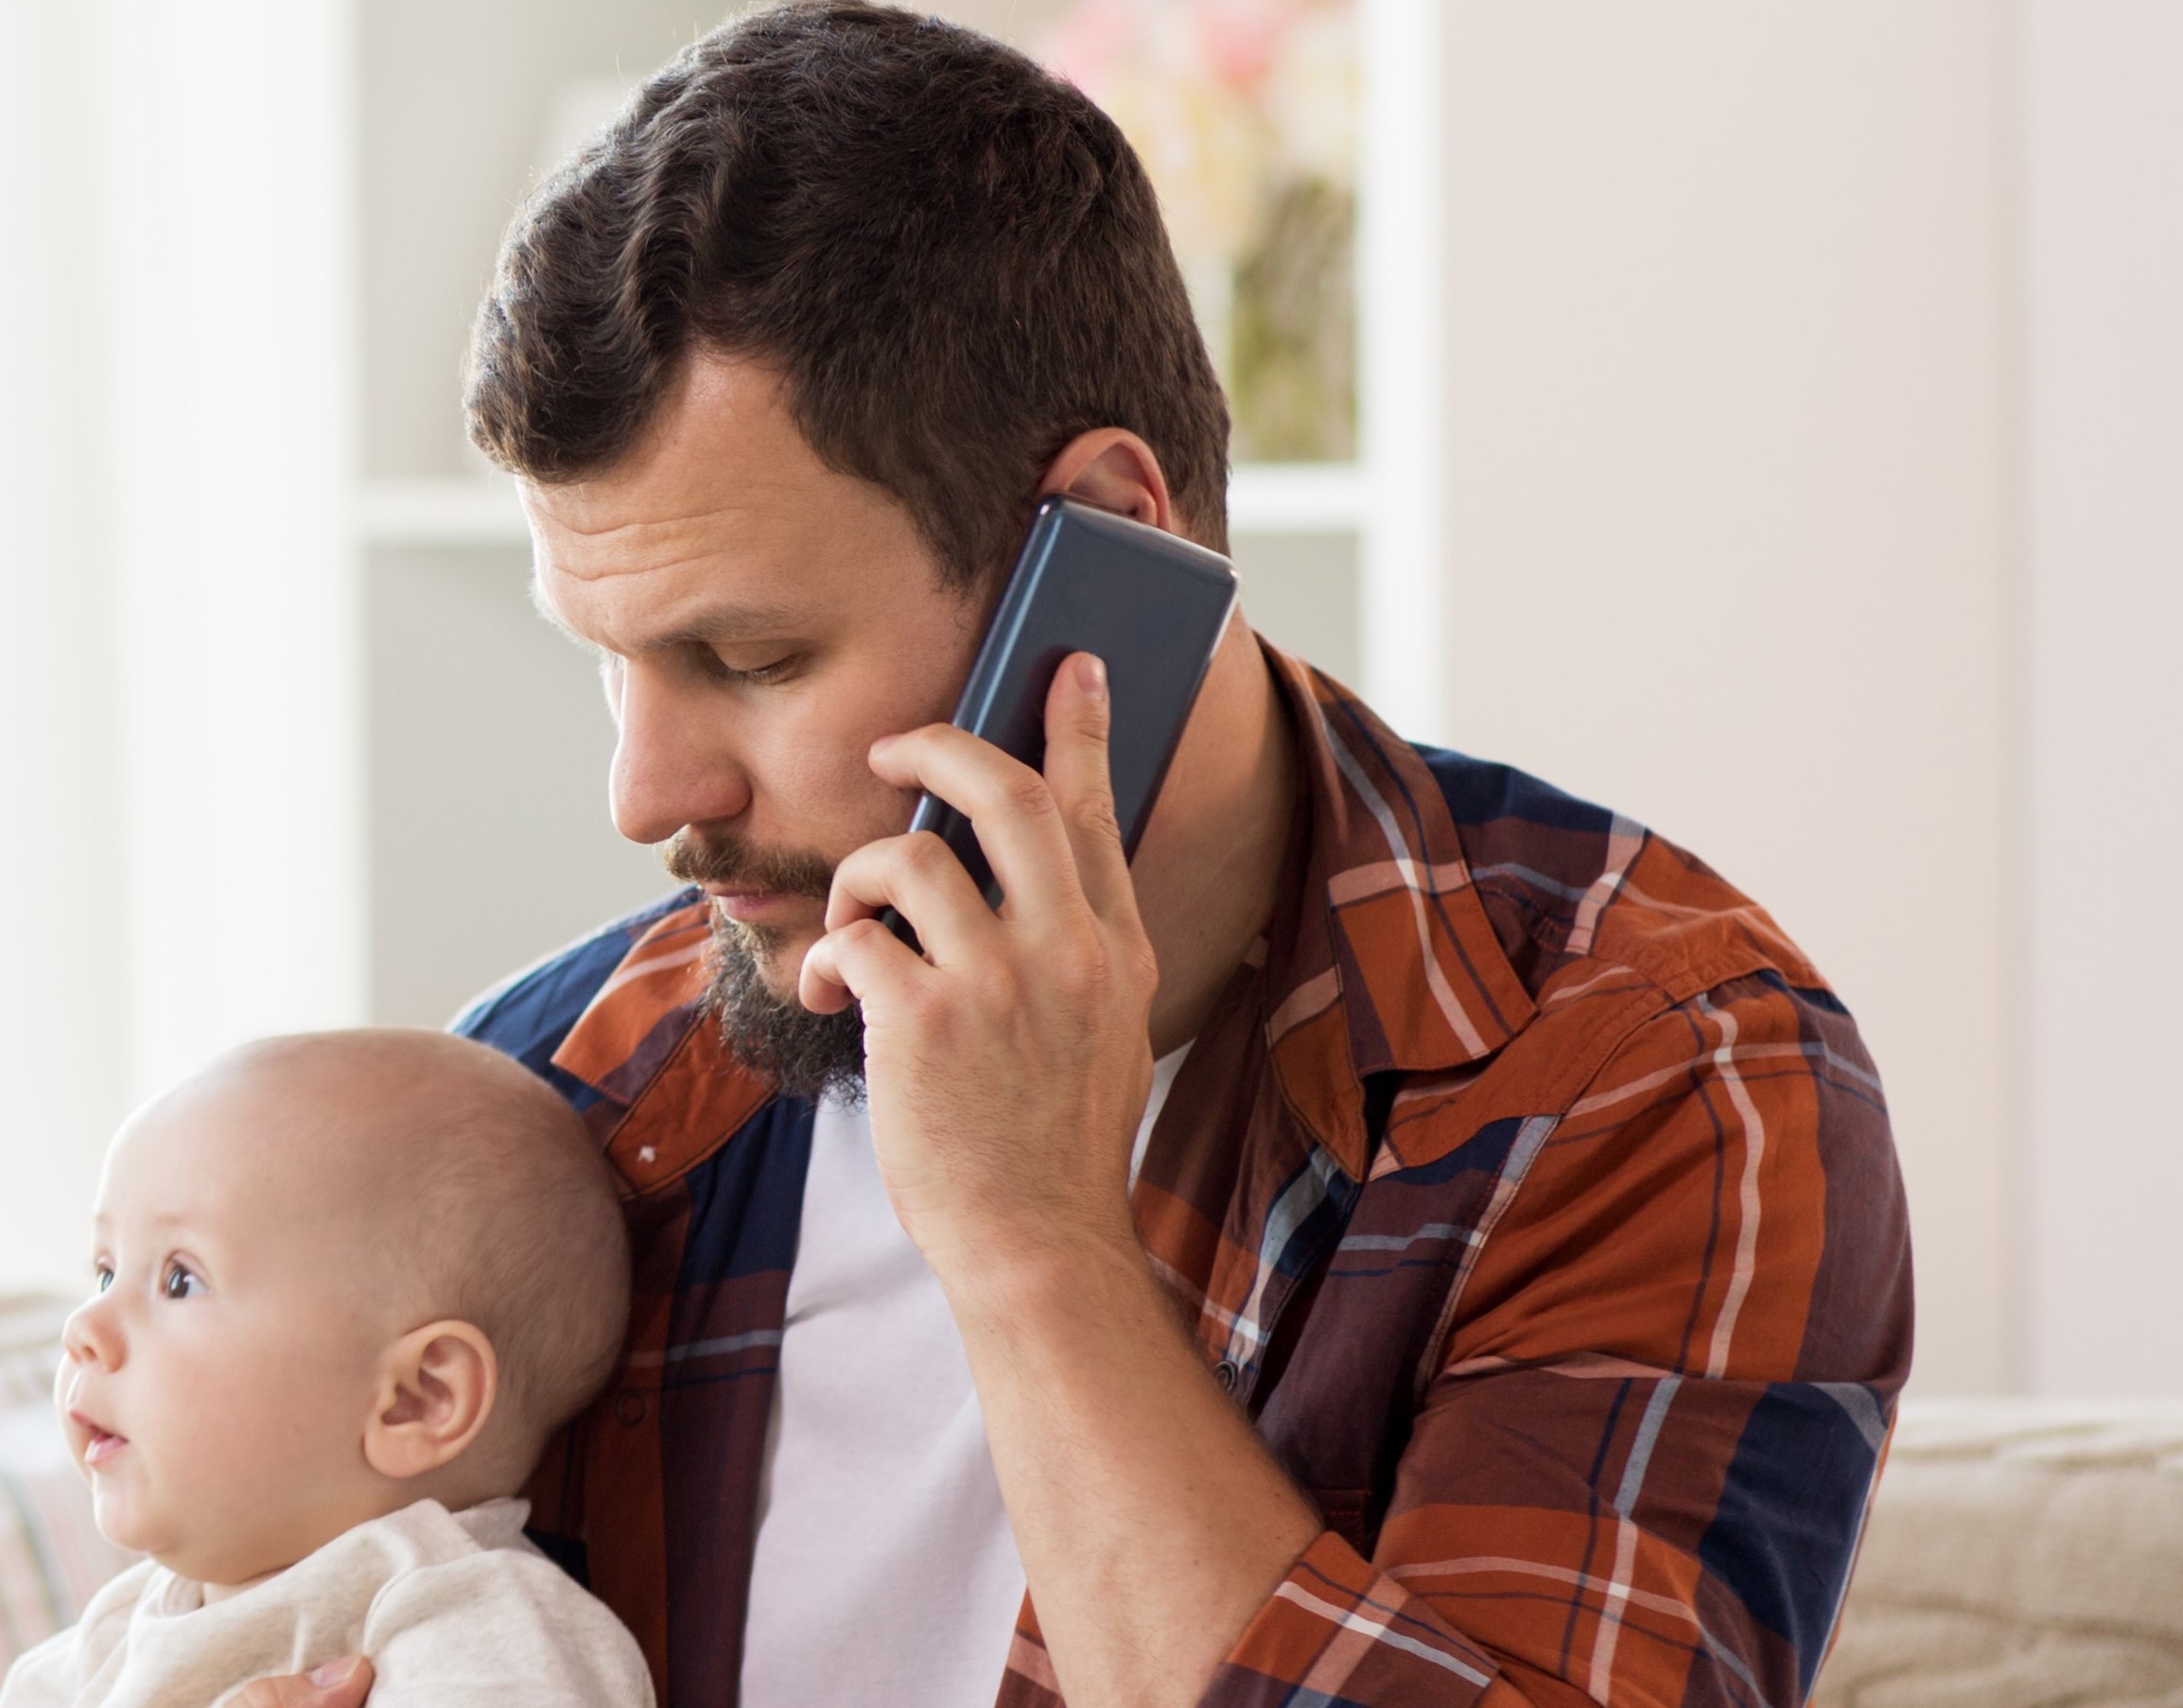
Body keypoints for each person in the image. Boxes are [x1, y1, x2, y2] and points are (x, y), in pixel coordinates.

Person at [224, 7, 1911, 1707]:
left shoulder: (1650, 1070)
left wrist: (1032, 1241)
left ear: (1107, 542)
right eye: (608, 658)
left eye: (749, 660)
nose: (641, 791)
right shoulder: (563, 1092)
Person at [3, 1029, 654, 1708]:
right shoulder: (98, 1646)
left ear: (416, 1399)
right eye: (105, 1272)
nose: (83, 1329)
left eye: (179, 1280)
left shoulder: (471, 1625)